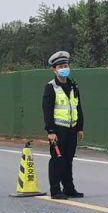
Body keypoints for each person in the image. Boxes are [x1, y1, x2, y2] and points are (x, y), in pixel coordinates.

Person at [43, 51, 85, 200]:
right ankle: (55, 190)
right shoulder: (51, 87)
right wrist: (51, 131)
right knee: (57, 160)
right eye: (60, 67)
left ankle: (69, 188)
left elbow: (78, 107)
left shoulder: (74, 86)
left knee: (68, 159)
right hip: (58, 130)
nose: (64, 69)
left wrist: (80, 127)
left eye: (66, 65)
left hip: (72, 129)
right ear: (54, 69)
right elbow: (47, 111)